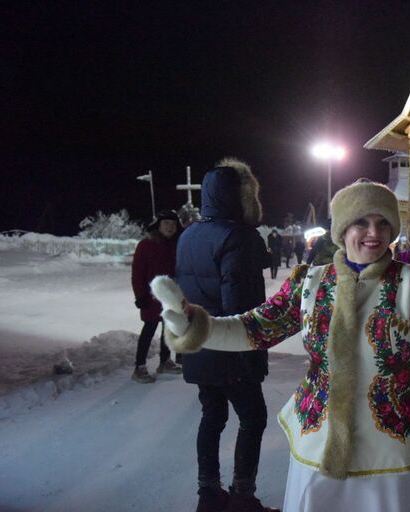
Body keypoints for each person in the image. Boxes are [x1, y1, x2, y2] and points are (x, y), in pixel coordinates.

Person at [151, 179, 410, 512]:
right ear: (342, 229)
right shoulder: (310, 281)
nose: (373, 233)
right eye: (361, 222)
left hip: (394, 445)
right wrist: (195, 326)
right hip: (319, 435)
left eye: (383, 223)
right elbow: (255, 328)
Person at [174, 158, 276, 512]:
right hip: (232, 347)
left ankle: (208, 494)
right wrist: (254, 352)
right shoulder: (239, 237)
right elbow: (240, 307)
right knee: (253, 418)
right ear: (241, 197)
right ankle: (242, 498)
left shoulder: (188, 235)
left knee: (212, 415)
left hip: (199, 343)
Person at [130, 209, 183, 383]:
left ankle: (165, 362)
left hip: (171, 297)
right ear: (158, 225)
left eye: (173, 224)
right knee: (149, 329)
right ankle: (139, 367)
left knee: (168, 329)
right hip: (151, 297)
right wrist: (141, 296)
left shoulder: (176, 245)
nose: (170, 227)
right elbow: (138, 273)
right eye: (166, 223)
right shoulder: (146, 245)